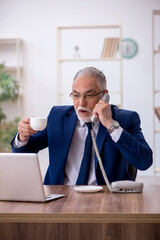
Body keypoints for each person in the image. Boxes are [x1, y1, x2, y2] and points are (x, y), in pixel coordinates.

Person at [11, 67, 153, 185]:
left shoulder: (125, 119)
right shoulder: (58, 116)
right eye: (76, 95)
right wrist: (23, 137)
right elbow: (23, 154)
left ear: (104, 96)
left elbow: (144, 162)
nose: (81, 103)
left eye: (88, 96)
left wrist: (110, 125)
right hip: (60, 198)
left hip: (107, 200)